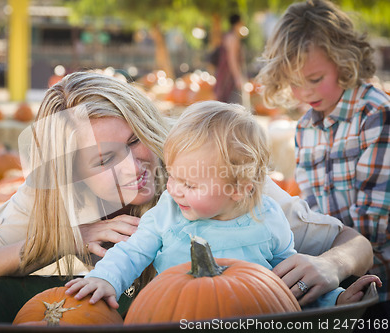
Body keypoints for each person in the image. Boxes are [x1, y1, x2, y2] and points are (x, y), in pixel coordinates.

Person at [0, 71, 372, 308]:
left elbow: (351, 242)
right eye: (104, 160)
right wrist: (60, 240)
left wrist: (333, 265)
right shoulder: (54, 191)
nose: (133, 167)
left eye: (134, 142)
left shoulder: (203, 159)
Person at [65, 101, 381, 308]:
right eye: (172, 176)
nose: (173, 189)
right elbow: (132, 252)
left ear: (239, 189)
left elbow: (289, 278)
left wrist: (336, 300)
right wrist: (105, 278)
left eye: (189, 184)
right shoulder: (169, 212)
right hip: (175, 316)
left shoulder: (267, 216)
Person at [256, 0, 390, 305]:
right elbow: (315, 219)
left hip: (376, 285)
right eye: (294, 83)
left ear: (345, 61)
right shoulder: (305, 128)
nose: (305, 93)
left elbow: (371, 233)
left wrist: (328, 266)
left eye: (315, 80)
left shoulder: (376, 116)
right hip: (329, 278)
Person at [214, 14, 246, 104]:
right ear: (238, 23)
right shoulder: (233, 38)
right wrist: (237, 77)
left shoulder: (227, 36)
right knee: (232, 101)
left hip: (224, 72)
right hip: (229, 75)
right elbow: (232, 59)